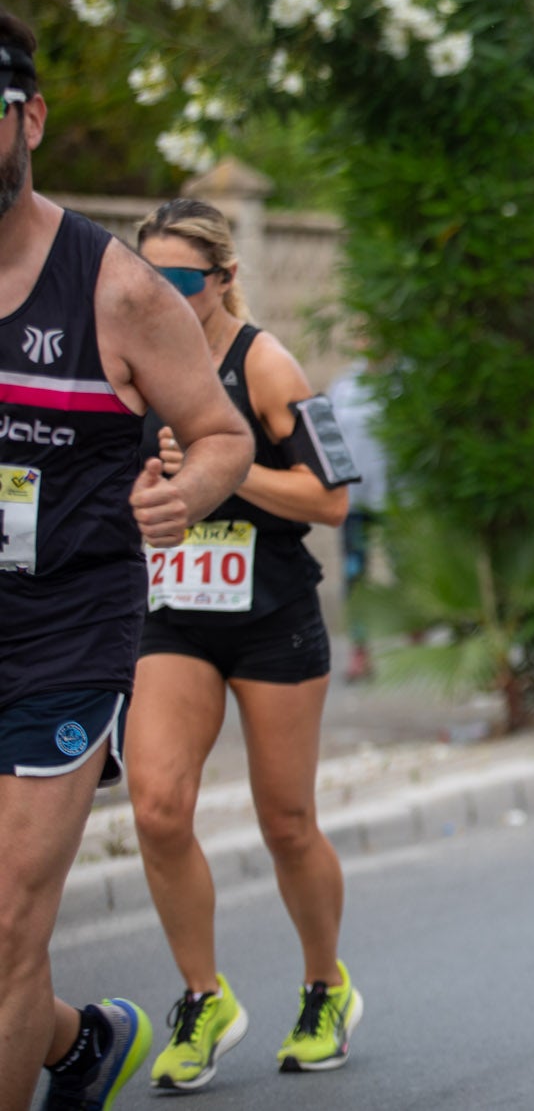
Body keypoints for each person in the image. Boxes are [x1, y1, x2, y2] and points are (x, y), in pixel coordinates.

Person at [0, 13, 252, 1111]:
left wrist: (182, 496)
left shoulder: (120, 290)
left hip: (64, 634)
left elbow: (224, 435)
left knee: (9, 923)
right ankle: (78, 1041)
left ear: (29, 120)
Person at [124, 200, 358, 1091]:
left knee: (286, 822)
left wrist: (224, 464)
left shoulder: (265, 363)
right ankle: (203, 996)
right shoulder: (133, 363)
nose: (163, 294)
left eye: (181, 280)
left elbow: (332, 499)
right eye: (149, 278)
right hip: (174, 610)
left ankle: (325, 986)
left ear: (223, 280)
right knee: (157, 807)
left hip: (270, 613)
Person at [324, 353, 389, 682]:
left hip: (398, 499)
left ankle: (419, 646)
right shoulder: (345, 385)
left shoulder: (405, 382)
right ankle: (360, 651)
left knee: (411, 570)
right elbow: (328, 438)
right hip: (355, 500)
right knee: (355, 576)